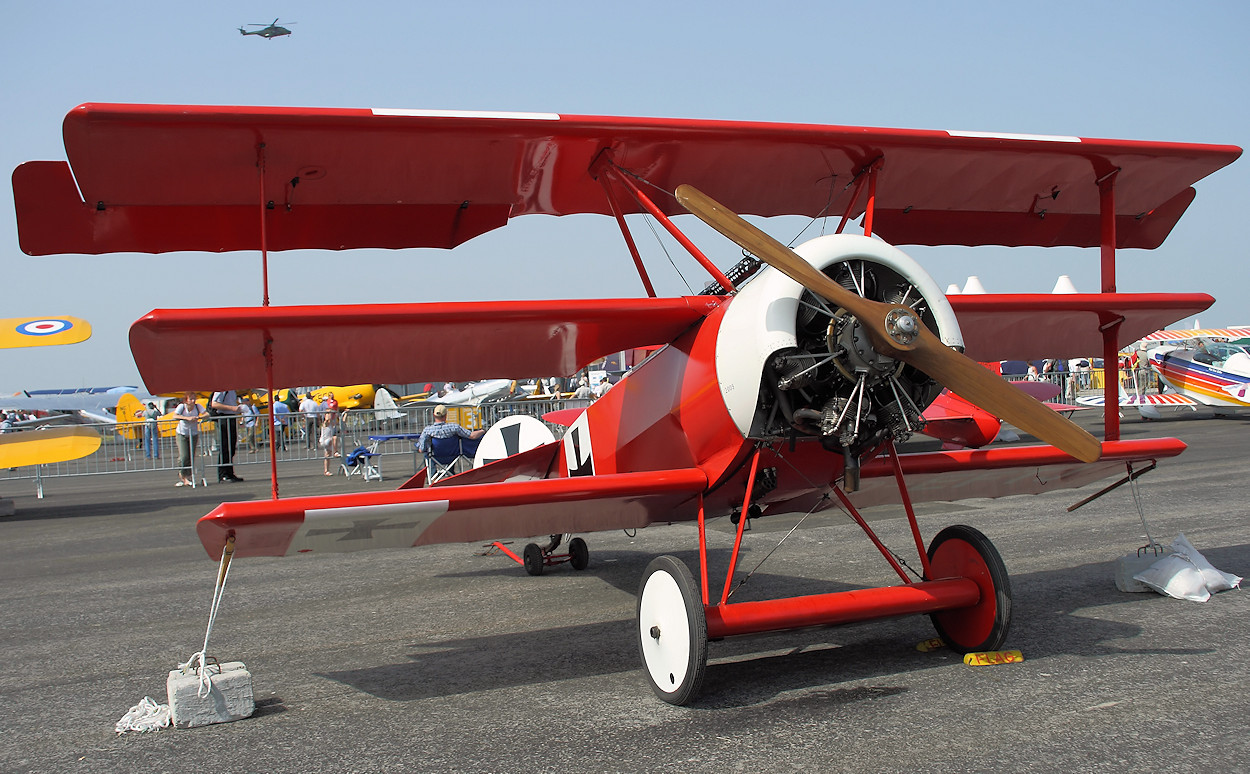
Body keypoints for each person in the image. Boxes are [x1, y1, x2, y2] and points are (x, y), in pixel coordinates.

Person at [416, 404, 485, 454]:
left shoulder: (428, 430)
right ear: (446, 415)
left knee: (428, 454)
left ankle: (432, 472)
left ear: (434, 415)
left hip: (436, 456)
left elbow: (421, 449)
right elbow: (472, 436)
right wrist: (482, 431)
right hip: (452, 455)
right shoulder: (454, 427)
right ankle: (450, 471)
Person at [210, 390, 245, 483]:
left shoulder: (232, 391)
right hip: (224, 417)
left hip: (231, 417)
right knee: (225, 446)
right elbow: (214, 403)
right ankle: (223, 474)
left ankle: (229, 472)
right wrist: (232, 408)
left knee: (231, 447)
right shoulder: (222, 389)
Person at [173, 392, 207, 487]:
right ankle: (182, 475)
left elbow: (207, 414)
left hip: (193, 433)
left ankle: (188, 476)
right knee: (184, 456)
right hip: (182, 433)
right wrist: (186, 418)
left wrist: (199, 417)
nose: (193, 400)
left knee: (191, 456)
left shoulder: (198, 406)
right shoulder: (182, 407)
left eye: (194, 398)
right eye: (191, 399)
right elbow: (175, 416)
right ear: (186, 400)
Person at [321, 395, 341, 475]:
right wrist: (328, 414)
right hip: (325, 440)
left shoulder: (333, 423)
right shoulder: (326, 423)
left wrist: (344, 413)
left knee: (327, 455)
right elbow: (327, 420)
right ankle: (335, 451)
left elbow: (339, 419)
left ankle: (326, 470)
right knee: (335, 437)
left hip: (328, 440)